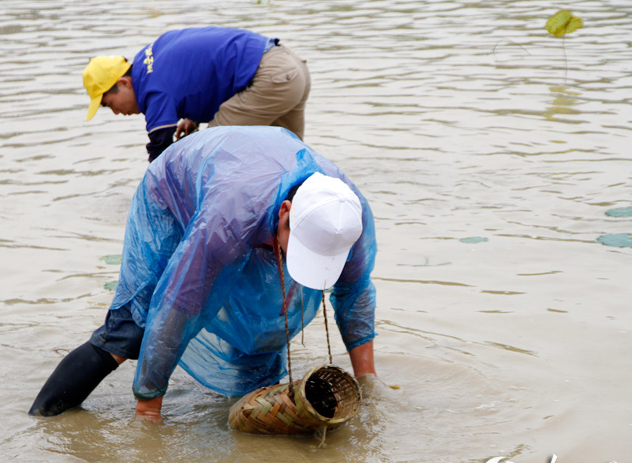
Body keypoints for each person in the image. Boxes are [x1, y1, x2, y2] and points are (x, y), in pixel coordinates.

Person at [29, 126, 377, 422]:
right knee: (135, 328)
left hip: (253, 178)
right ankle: (41, 420)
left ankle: (244, 409)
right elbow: (179, 304)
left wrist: (367, 384)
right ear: (286, 212)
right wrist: (149, 411)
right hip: (175, 188)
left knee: (266, 320)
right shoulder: (227, 220)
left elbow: (355, 294)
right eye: (297, 244)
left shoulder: (346, 217)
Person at [82, 27, 312, 162]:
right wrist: (193, 118)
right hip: (289, 66)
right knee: (291, 161)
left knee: (209, 155)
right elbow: (200, 72)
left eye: (109, 104)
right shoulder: (150, 57)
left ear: (123, 82)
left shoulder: (152, 88)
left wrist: (154, 198)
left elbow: (159, 148)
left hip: (270, 79)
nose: (116, 112)